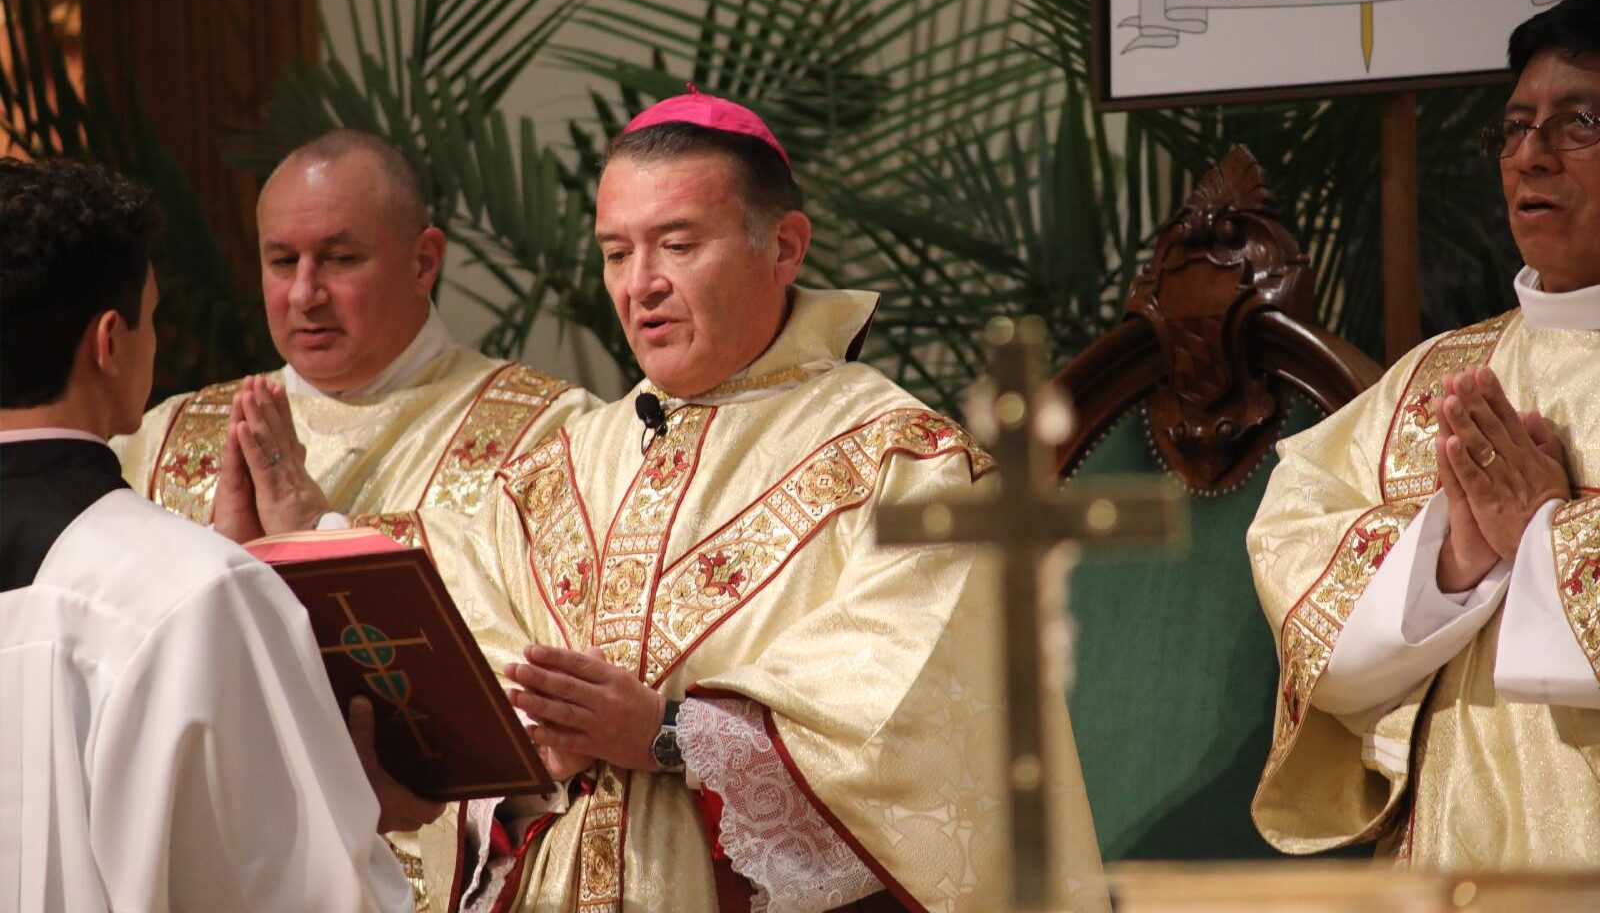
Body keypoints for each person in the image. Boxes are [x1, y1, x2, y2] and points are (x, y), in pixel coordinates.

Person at [406, 92, 1108, 911]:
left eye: (678, 245)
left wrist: (665, 735)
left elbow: (915, 741)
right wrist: (528, 751)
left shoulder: (907, 464)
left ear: (784, 248)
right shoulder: (549, 475)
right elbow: (465, 695)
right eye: (615, 253)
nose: (641, 285)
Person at [0, 157, 433, 911]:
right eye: (153, 317)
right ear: (110, 342)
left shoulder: (193, 583)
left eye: (338, 258)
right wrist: (347, 797)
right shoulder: (193, 591)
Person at [1249, 0, 1600, 868]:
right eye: (1514, 129)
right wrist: (1450, 559)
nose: (1531, 156)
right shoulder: (1434, 380)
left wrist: (1547, 542)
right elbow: (1295, 560)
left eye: (1578, 124)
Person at [113, 129, 597, 545]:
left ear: (423, 262)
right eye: (283, 262)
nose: (304, 294)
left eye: (340, 259)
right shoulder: (161, 442)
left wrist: (318, 529)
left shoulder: (549, 434)